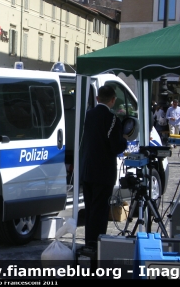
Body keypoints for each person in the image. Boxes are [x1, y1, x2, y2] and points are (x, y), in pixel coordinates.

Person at [80, 85, 128, 249]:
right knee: (100, 211)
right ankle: (96, 245)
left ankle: (89, 243)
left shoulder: (88, 115)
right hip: (103, 172)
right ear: (113, 100)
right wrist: (124, 140)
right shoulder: (112, 119)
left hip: (87, 169)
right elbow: (115, 147)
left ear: (98, 98)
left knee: (90, 209)